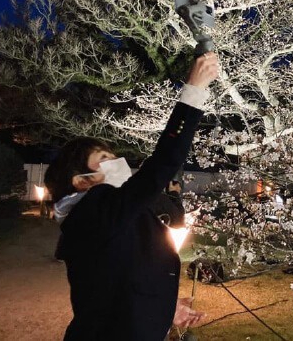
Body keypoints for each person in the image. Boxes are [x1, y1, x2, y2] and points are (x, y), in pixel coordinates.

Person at [45, 53, 218, 340]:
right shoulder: (92, 213)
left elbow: (122, 283)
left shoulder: (107, 220)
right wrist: (194, 92)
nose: (117, 162)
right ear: (81, 181)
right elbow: (161, 165)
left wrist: (166, 309)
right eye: (104, 159)